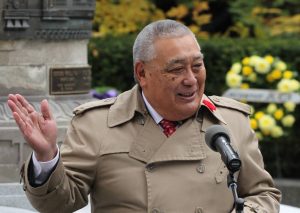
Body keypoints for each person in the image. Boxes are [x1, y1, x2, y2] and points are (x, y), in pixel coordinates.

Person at [7, 19, 281, 213]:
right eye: (176, 69)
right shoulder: (97, 123)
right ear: (142, 73)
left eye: (197, 66)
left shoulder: (231, 121)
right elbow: (58, 205)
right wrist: (46, 158)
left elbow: (262, 194)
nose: (191, 80)